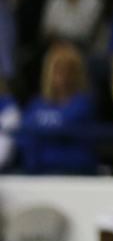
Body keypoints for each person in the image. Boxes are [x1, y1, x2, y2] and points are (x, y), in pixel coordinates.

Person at [20, 42, 96, 174]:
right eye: (58, 68)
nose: (63, 75)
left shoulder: (84, 103)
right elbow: (23, 133)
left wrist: (39, 127)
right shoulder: (37, 103)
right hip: (37, 173)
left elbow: (65, 126)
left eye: (69, 69)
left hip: (74, 174)